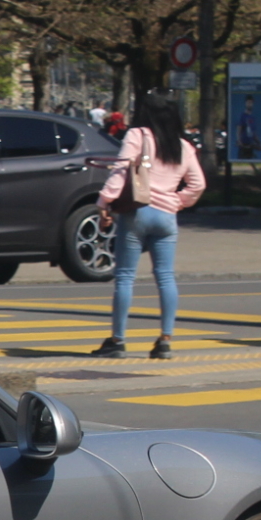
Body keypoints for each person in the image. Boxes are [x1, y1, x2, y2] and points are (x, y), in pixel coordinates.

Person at [92, 90, 207, 360]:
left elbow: (121, 170)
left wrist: (104, 202)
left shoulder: (138, 136)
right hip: (167, 218)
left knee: (125, 277)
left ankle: (118, 341)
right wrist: (179, 201)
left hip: (138, 213)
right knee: (165, 276)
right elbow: (198, 184)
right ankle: (165, 340)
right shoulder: (182, 145)